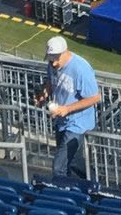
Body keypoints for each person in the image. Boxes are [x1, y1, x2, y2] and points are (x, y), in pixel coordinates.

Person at [41, 36, 102, 185]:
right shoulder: (52, 64)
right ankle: (92, 185)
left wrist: (67, 109)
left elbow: (95, 98)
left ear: (65, 52)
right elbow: (50, 81)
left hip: (78, 123)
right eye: (50, 60)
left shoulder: (81, 68)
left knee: (59, 166)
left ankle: (62, 196)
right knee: (73, 161)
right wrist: (44, 94)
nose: (53, 63)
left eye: (56, 59)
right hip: (61, 120)